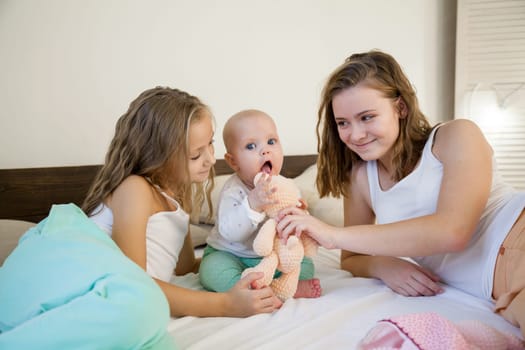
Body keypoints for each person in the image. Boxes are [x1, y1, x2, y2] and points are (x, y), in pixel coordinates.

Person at [277, 50, 525, 336]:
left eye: (367, 117)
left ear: (401, 108)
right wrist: (384, 265)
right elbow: (352, 257)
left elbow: (453, 231)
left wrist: (330, 234)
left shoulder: (455, 136)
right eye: (343, 122)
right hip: (497, 288)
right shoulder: (360, 179)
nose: (355, 135)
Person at [83, 87, 280, 317]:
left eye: (210, 144)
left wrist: (242, 262)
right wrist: (226, 304)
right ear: (158, 157)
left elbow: (185, 267)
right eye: (195, 155)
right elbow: (133, 283)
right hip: (92, 290)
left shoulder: (176, 195)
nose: (209, 159)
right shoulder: (134, 189)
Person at [198, 109, 322, 302]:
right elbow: (230, 232)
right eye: (251, 146)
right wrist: (253, 204)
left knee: (305, 265)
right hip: (231, 255)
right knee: (211, 270)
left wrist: (299, 214)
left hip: (272, 259)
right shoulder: (233, 190)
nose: (265, 150)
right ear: (233, 161)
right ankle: (267, 290)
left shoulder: (286, 186)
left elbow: (293, 228)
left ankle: (283, 286)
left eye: (271, 142)